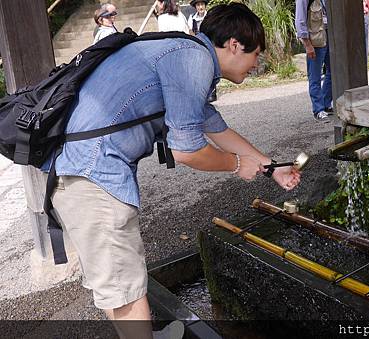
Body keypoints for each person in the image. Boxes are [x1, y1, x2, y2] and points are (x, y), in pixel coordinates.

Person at [46, 3, 300, 338]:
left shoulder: (183, 52)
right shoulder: (192, 59)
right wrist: (236, 165)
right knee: (126, 288)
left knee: (114, 281)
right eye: (256, 54)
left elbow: (216, 128)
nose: (256, 64)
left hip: (77, 173)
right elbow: (188, 150)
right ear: (235, 45)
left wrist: (272, 169)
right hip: (93, 176)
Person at [295, 0, 333, 123]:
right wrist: (307, 44)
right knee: (315, 76)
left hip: (329, 34)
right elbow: (300, 19)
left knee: (333, 71)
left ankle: (326, 103)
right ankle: (318, 109)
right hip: (315, 38)